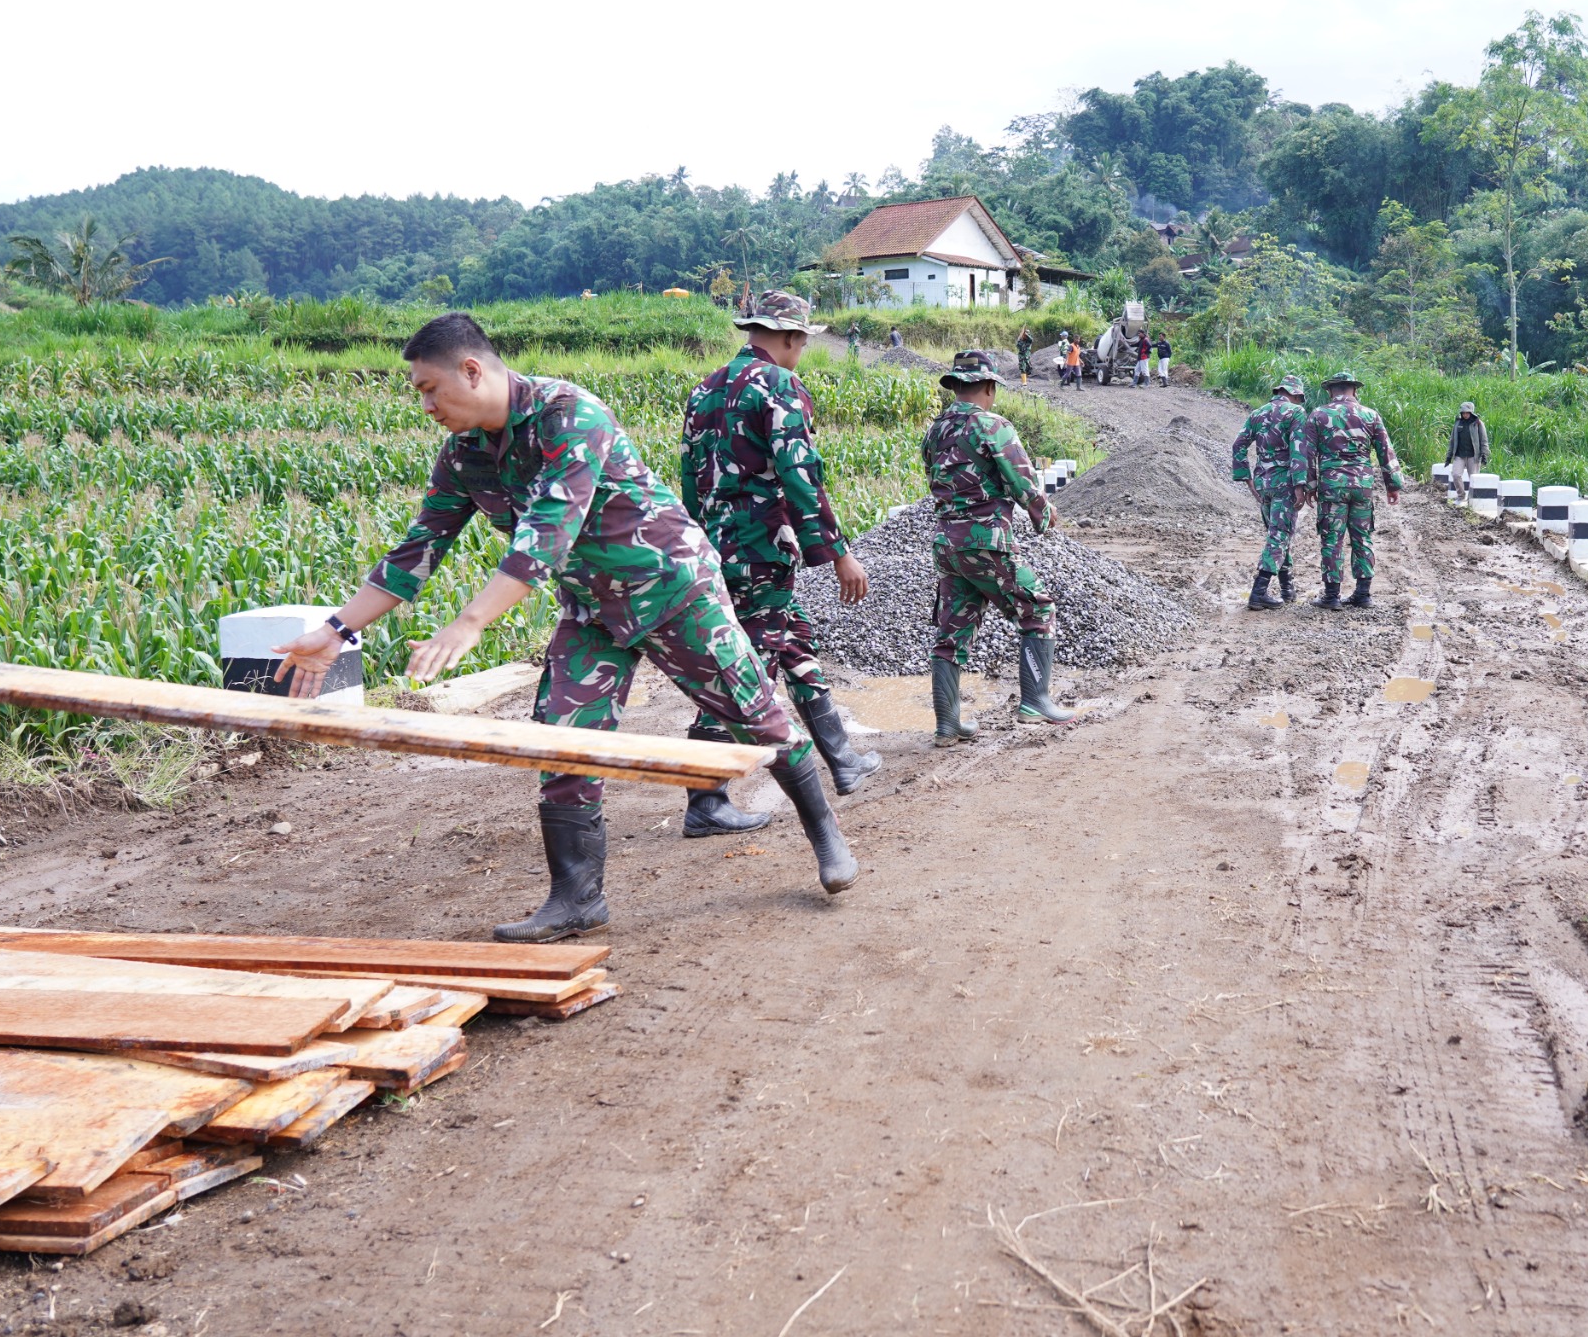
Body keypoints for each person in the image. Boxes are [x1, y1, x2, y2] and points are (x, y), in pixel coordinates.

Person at [271, 312, 858, 944]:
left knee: (757, 716)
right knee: (562, 738)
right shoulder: (466, 454)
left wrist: (469, 624)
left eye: (429, 388)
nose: (426, 404)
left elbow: (545, 536)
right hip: (592, 608)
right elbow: (420, 547)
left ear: (471, 371)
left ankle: (827, 836)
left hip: (672, 589)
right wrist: (336, 630)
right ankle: (577, 898)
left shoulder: (569, 413)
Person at [680, 289, 882, 837]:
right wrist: (839, 552)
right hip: (761, 546)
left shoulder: (706, 389)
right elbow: (799, 475)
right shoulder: (778, 384)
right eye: (802, 342)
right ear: (793, 338)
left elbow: (690, 479)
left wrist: (705, 539)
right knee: (746, 666)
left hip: (720, 544)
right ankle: (705, 796)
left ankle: (842, 759)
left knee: (792, 640)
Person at [922, 350, 1073, 744]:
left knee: (952, 631)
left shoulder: (935, 430)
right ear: (988, 387)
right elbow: (1021, 479)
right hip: (986, 541)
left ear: (955, 386)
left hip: (947, 544)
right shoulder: (992, 424)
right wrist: (1043, 511)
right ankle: (1035, 701)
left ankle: (947, 724)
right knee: (1037, 608)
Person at [1299, 369, 1403, 609]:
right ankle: (1363, 594)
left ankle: (1331, 596)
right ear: (1354, 390)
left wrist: (1310, 486)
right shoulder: (1370, 415)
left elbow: (1308, 454)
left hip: (1332, 486)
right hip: (1362, 486)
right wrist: (1392, 485)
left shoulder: (1318, 415)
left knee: (1332, 538)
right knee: (1362, 537)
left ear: (1329, 390)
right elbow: (1385, 451)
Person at [1230, 374, 1311, 609]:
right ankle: (1259, 591)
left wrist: (1245, 478)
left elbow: (1239, 445)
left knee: (1277, 534)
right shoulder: (1295, 413)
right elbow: (1298, 450)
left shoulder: (1257, 413)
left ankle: (1287, 588)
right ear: (1294, 394)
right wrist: (1299, 485)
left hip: (1262, 483)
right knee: (1279, 535)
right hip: (1284, 483)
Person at [1446, 401, 1489, 503]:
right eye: (1463, 412)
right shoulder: (1457, 423)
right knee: (1456, 475)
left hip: (1473, 456)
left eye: (1467, 412)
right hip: (1459, 455)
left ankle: (1472, 499)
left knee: (1473, 479)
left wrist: (1484, 454)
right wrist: (1449, 456)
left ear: (1471, 412)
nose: (1465, 414)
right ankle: (1461, 496)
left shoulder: (1478, 424)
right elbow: (1452, 441)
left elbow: (1484, 440)